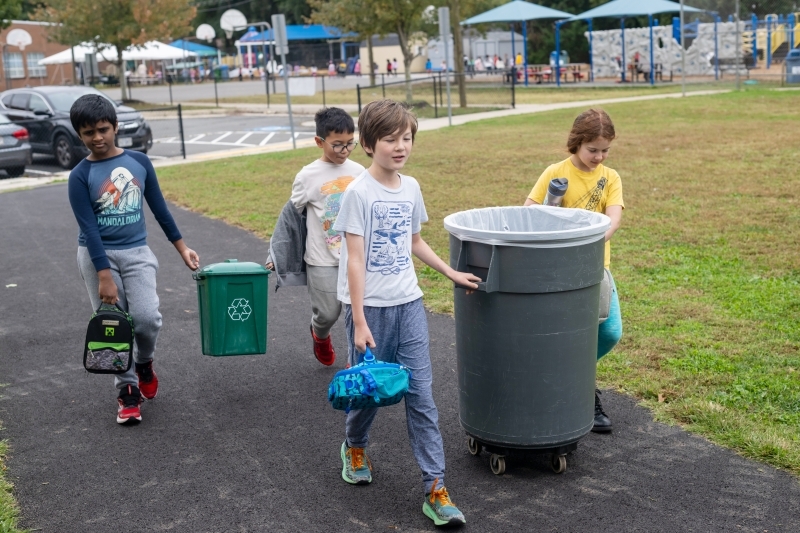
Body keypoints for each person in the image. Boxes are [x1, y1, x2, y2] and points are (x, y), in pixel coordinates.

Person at [334, 99, 480, 526]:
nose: (400, 147)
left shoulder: (411, 187)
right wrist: (359, 320)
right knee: (368, 392)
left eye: (407, 138)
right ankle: (354, 445)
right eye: (390, 139)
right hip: (370, 310)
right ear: (367, 143)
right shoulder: (358, 192)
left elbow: (414, 241)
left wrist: (451, 272)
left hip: (409, 303)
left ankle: (435, 487)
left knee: (420, 395)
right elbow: (355, 259)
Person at [67, 94, 199, 425]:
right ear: (79, 135)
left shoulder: (139, 162)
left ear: (114, 127)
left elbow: (159, 207)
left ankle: (145, 363)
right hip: (97, 257)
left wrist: (181, 247)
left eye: (102, 129)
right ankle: (127, 392)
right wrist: (103, 275)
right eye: (88, 133)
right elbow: (89, 230)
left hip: (137, 252)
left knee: (146, 318)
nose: (97, 138)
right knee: (113, 325)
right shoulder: (80, 176)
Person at [523, 108, 623, 434]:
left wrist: (588, 242)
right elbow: (528, 212)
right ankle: (576, 390)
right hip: (559, 271)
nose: (599, 156)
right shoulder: (556, 172)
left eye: (605, 150)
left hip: (595, 266)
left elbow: (612, 220)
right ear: (576, 143)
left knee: (609, 331)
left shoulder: (611, 177)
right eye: (593, 149)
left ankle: (577, 378)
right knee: (560, 333)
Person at [271, 108, 365, 366]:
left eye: (350, 144)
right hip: (322, 258)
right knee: (328, 312)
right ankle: (319, 334)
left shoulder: (360, 172)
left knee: (356, 311)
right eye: (337, 145)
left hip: (355, 255)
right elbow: (289, 219)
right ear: (319, 142)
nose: (344, 151)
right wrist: (275, 253)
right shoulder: (307, 177)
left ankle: (353, 359)